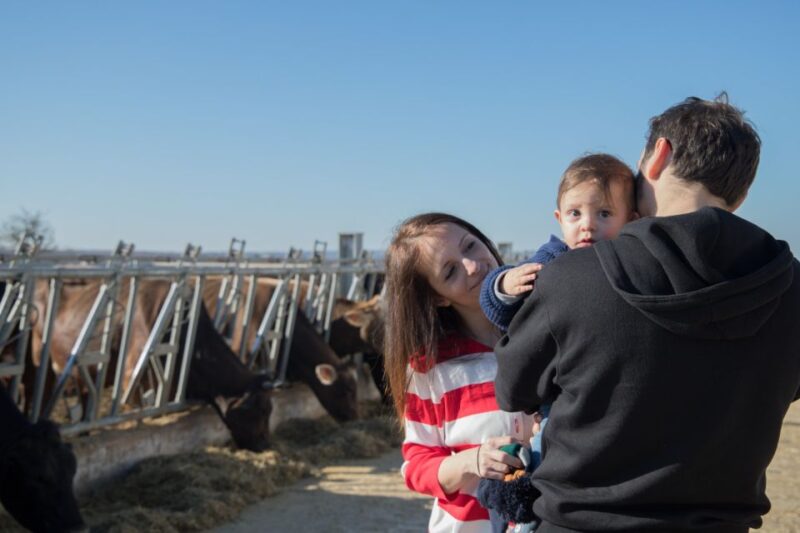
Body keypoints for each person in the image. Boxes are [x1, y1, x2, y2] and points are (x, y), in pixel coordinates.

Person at [494, 93, 800, 532]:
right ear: (742, 192)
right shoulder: (791, 286)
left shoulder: (573, 278)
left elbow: (513, 390)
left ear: (658, 156)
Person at [478, 153, 636, 533]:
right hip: (552, 394)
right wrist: (505, 287)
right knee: (540, 456)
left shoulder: (627, 262)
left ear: (631, 219)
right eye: (575, 214)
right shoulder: (552, 259)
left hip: (596, 387)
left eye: (603, 214)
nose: (587, 226)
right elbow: (500, 312)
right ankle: (520, 520)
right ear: (558, 218)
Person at [384, 212, 537, 532]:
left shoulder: (545, 330)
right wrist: (474, 461)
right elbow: (417, 467)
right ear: (438, 297)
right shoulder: (429, 367)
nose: (473, 265)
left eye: (471, 245)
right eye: (451, 271)